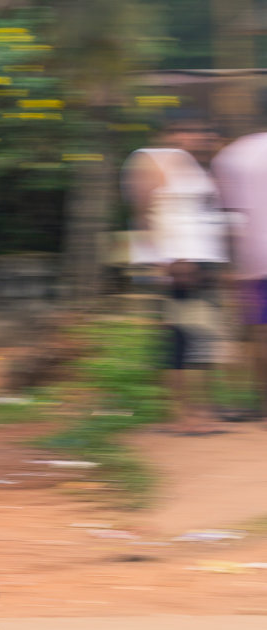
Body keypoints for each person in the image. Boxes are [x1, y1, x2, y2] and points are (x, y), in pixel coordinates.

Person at [122, 114, 230, 434]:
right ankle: (180, 414)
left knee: (205, 339)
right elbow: (143, 215)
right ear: (168, 132)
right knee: (178, 340)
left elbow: (204, 216)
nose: (194, 137)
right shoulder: (149, 160)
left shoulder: (194, 166)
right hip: (176, 264)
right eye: (186, 130)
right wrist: (164, 261)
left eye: (199, 131)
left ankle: (204, 410)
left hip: (204, 261)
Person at [212, 132, 267, 421]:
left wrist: (232, 266)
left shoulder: (236, 154)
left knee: (260, 335)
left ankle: (263, 405)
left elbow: (231, 217)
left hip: (255, 261)